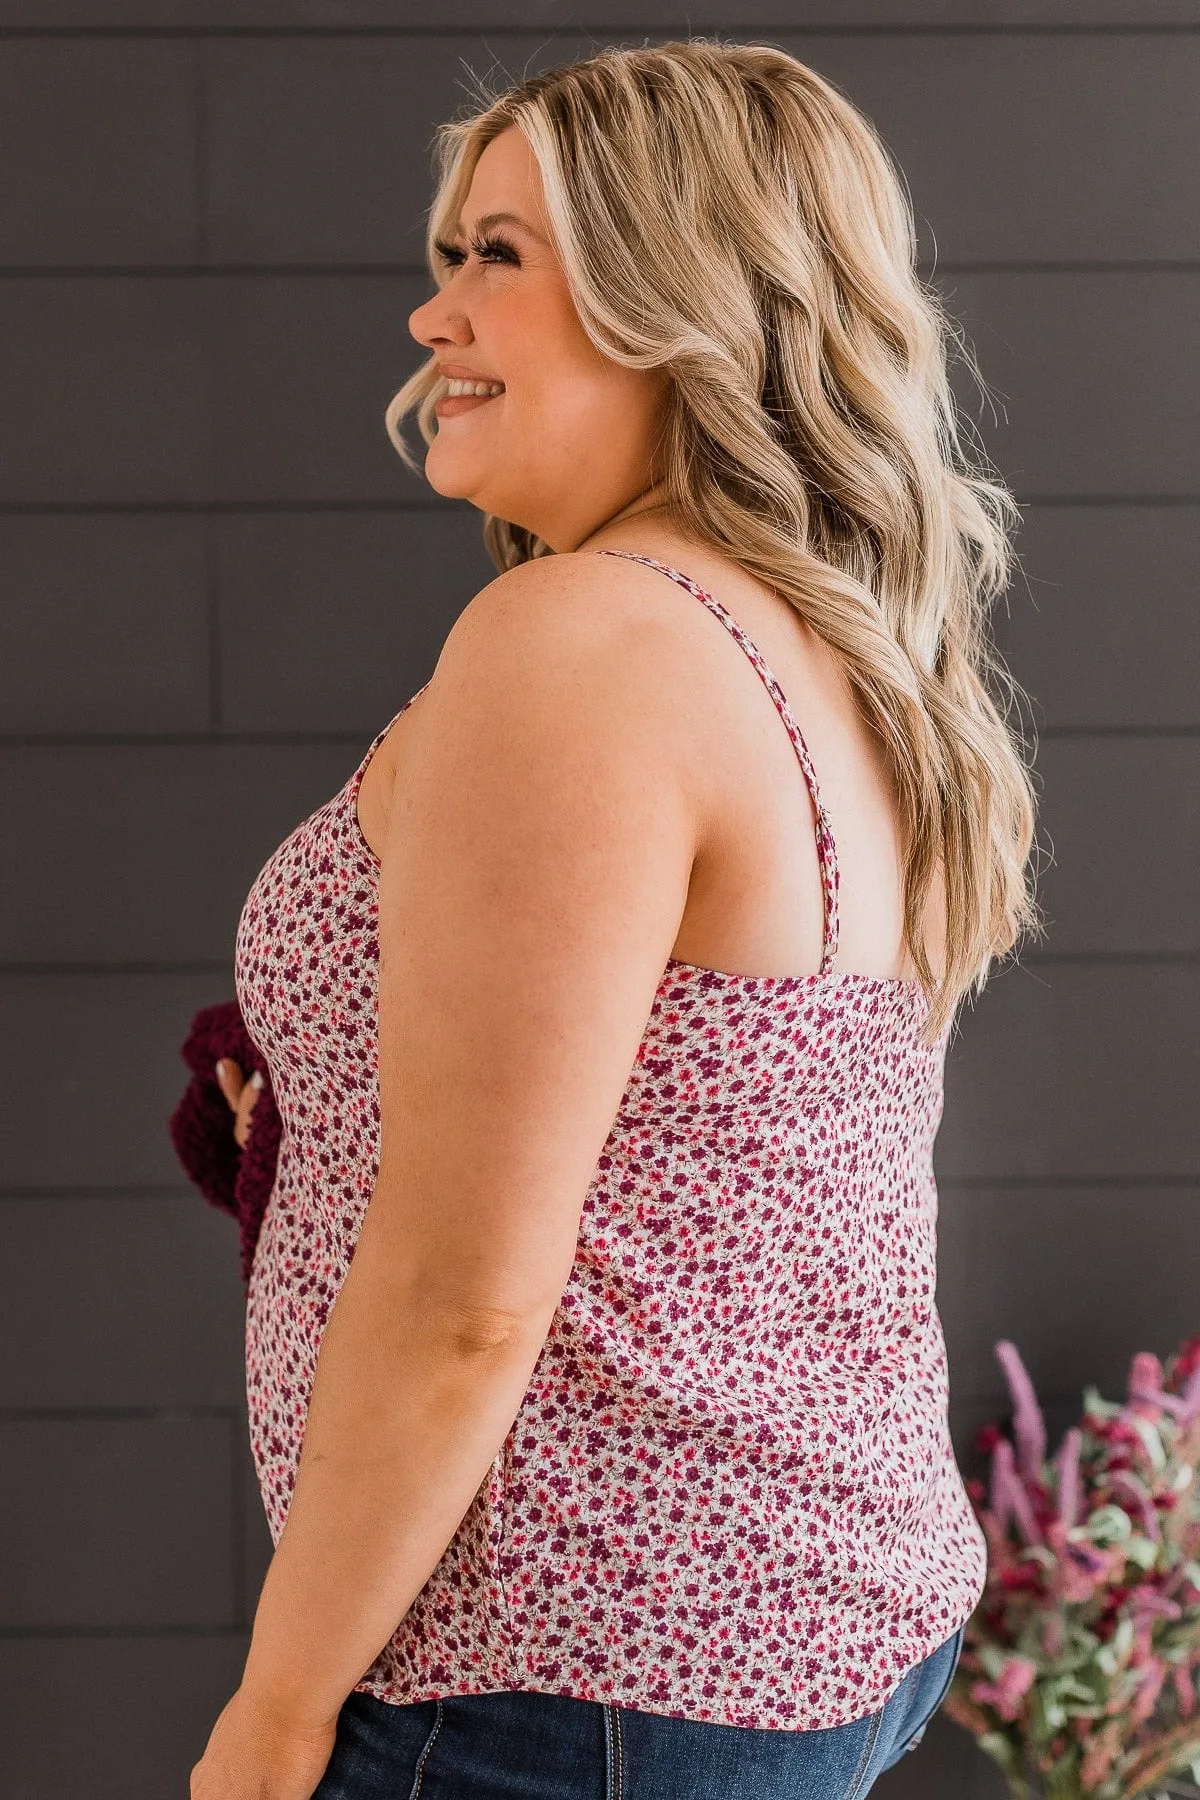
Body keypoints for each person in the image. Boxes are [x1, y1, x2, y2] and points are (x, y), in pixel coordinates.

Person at [190, 37, 1037, 1800]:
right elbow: (703, 1135)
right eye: (447, 258)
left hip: (558, 1680)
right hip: (795, 1635)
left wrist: (274, 1720)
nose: (435, 320)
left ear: (684, 289)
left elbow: (462, 1300)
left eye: (500, 254)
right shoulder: (834, 646)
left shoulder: (579, 648)